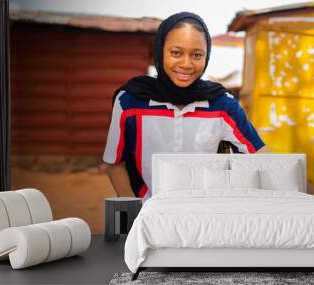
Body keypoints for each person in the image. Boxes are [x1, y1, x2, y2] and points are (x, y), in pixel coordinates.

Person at [102, 12, 269, 200]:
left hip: (207, 215)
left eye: (197, 55)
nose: (186, 64)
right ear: (159, 51)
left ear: (207, 56)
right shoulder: (130, 101)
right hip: (150, 215)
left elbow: (259, 155)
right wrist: (136, 213)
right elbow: (115, 164)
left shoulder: (222, 104)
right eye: (176, 53)